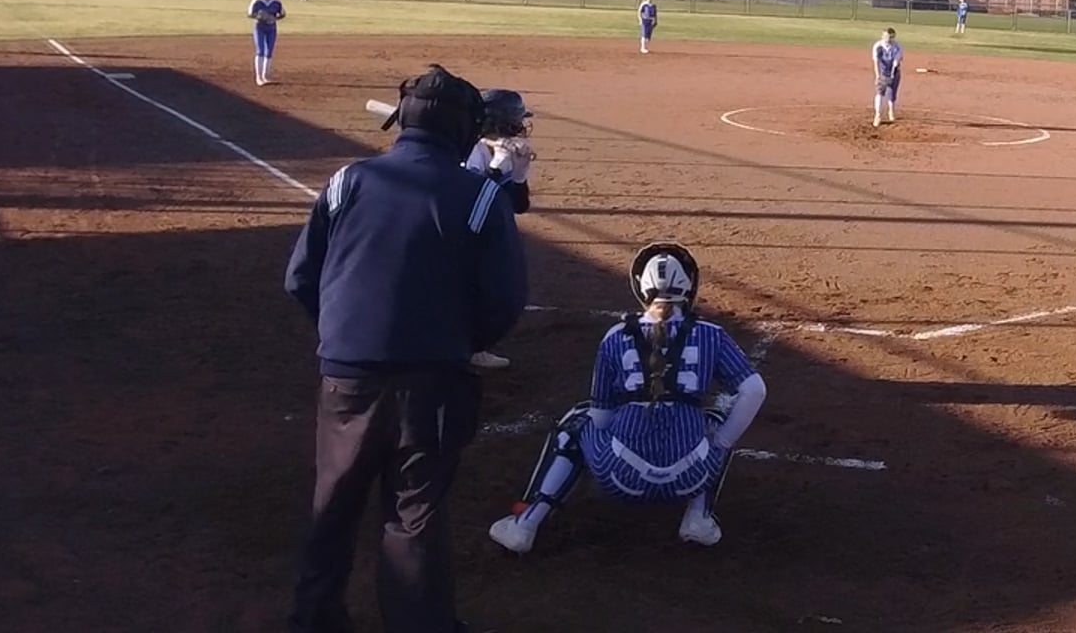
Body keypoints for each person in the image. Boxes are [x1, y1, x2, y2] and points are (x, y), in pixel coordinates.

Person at [285, 64, 528, 633]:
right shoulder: (481, 197)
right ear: (463, 131)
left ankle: (314, 619)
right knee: (414, 514)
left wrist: (346, 337)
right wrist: (460, 342)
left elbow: (301, 278)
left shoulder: (346, 181)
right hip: (433, 380)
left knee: (333, 504)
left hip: (347, 377)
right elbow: (504, 300)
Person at [488, 242, 766, 554]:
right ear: (689, 286)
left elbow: (600, 417)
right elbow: (754, 391)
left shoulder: (615, 336)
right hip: (692, 477)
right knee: (718, 417)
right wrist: (720, 442)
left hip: (620, 478)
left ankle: (525, 525)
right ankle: (698, 518)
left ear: (640, 287)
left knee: (576, 423)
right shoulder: (712, 334)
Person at [461, 88, 536, 371]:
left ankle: (473, 347)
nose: (520, 124)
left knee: (487, 287)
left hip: (485, 234)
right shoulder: (469, 151)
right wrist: (494, 168)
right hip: (460, 236)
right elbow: (466, 202)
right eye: (516, 119)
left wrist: (518, 176)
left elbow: (518, 206)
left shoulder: (498, 147)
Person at [249, 0, 286, 86]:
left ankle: (265, 76)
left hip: (271, 28)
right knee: (260, 50)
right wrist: (259, 17)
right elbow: (250, 13)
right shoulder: (257, 1)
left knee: (269, 52)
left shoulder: (276, 1)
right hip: (260, 27)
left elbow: (282, 14)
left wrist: (274, 18)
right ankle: (258, 77)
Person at [872, 26, 903, 127]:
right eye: (885, 36)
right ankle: (878, 115)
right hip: (882, 73)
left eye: (890, 37)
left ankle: (891, 111)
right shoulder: (878, 46)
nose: (888, 39)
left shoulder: (897, 47)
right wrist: (877, 75)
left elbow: (897, 60)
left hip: (894, 74)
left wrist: (894, 69)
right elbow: (876, 61)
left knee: (892, 95)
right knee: (879, 93)